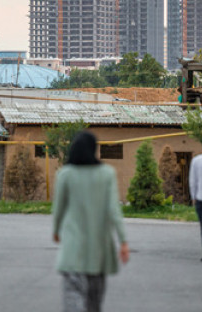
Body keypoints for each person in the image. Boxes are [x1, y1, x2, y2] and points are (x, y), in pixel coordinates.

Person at [52, 131, 130, 312]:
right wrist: (123, 241)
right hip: (98, 252)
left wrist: (56, 231)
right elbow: (113, 210)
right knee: (94, 304)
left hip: (72, 250)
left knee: (73, 299)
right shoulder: (106, 174)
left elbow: (59, 209)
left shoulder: (65, 174)